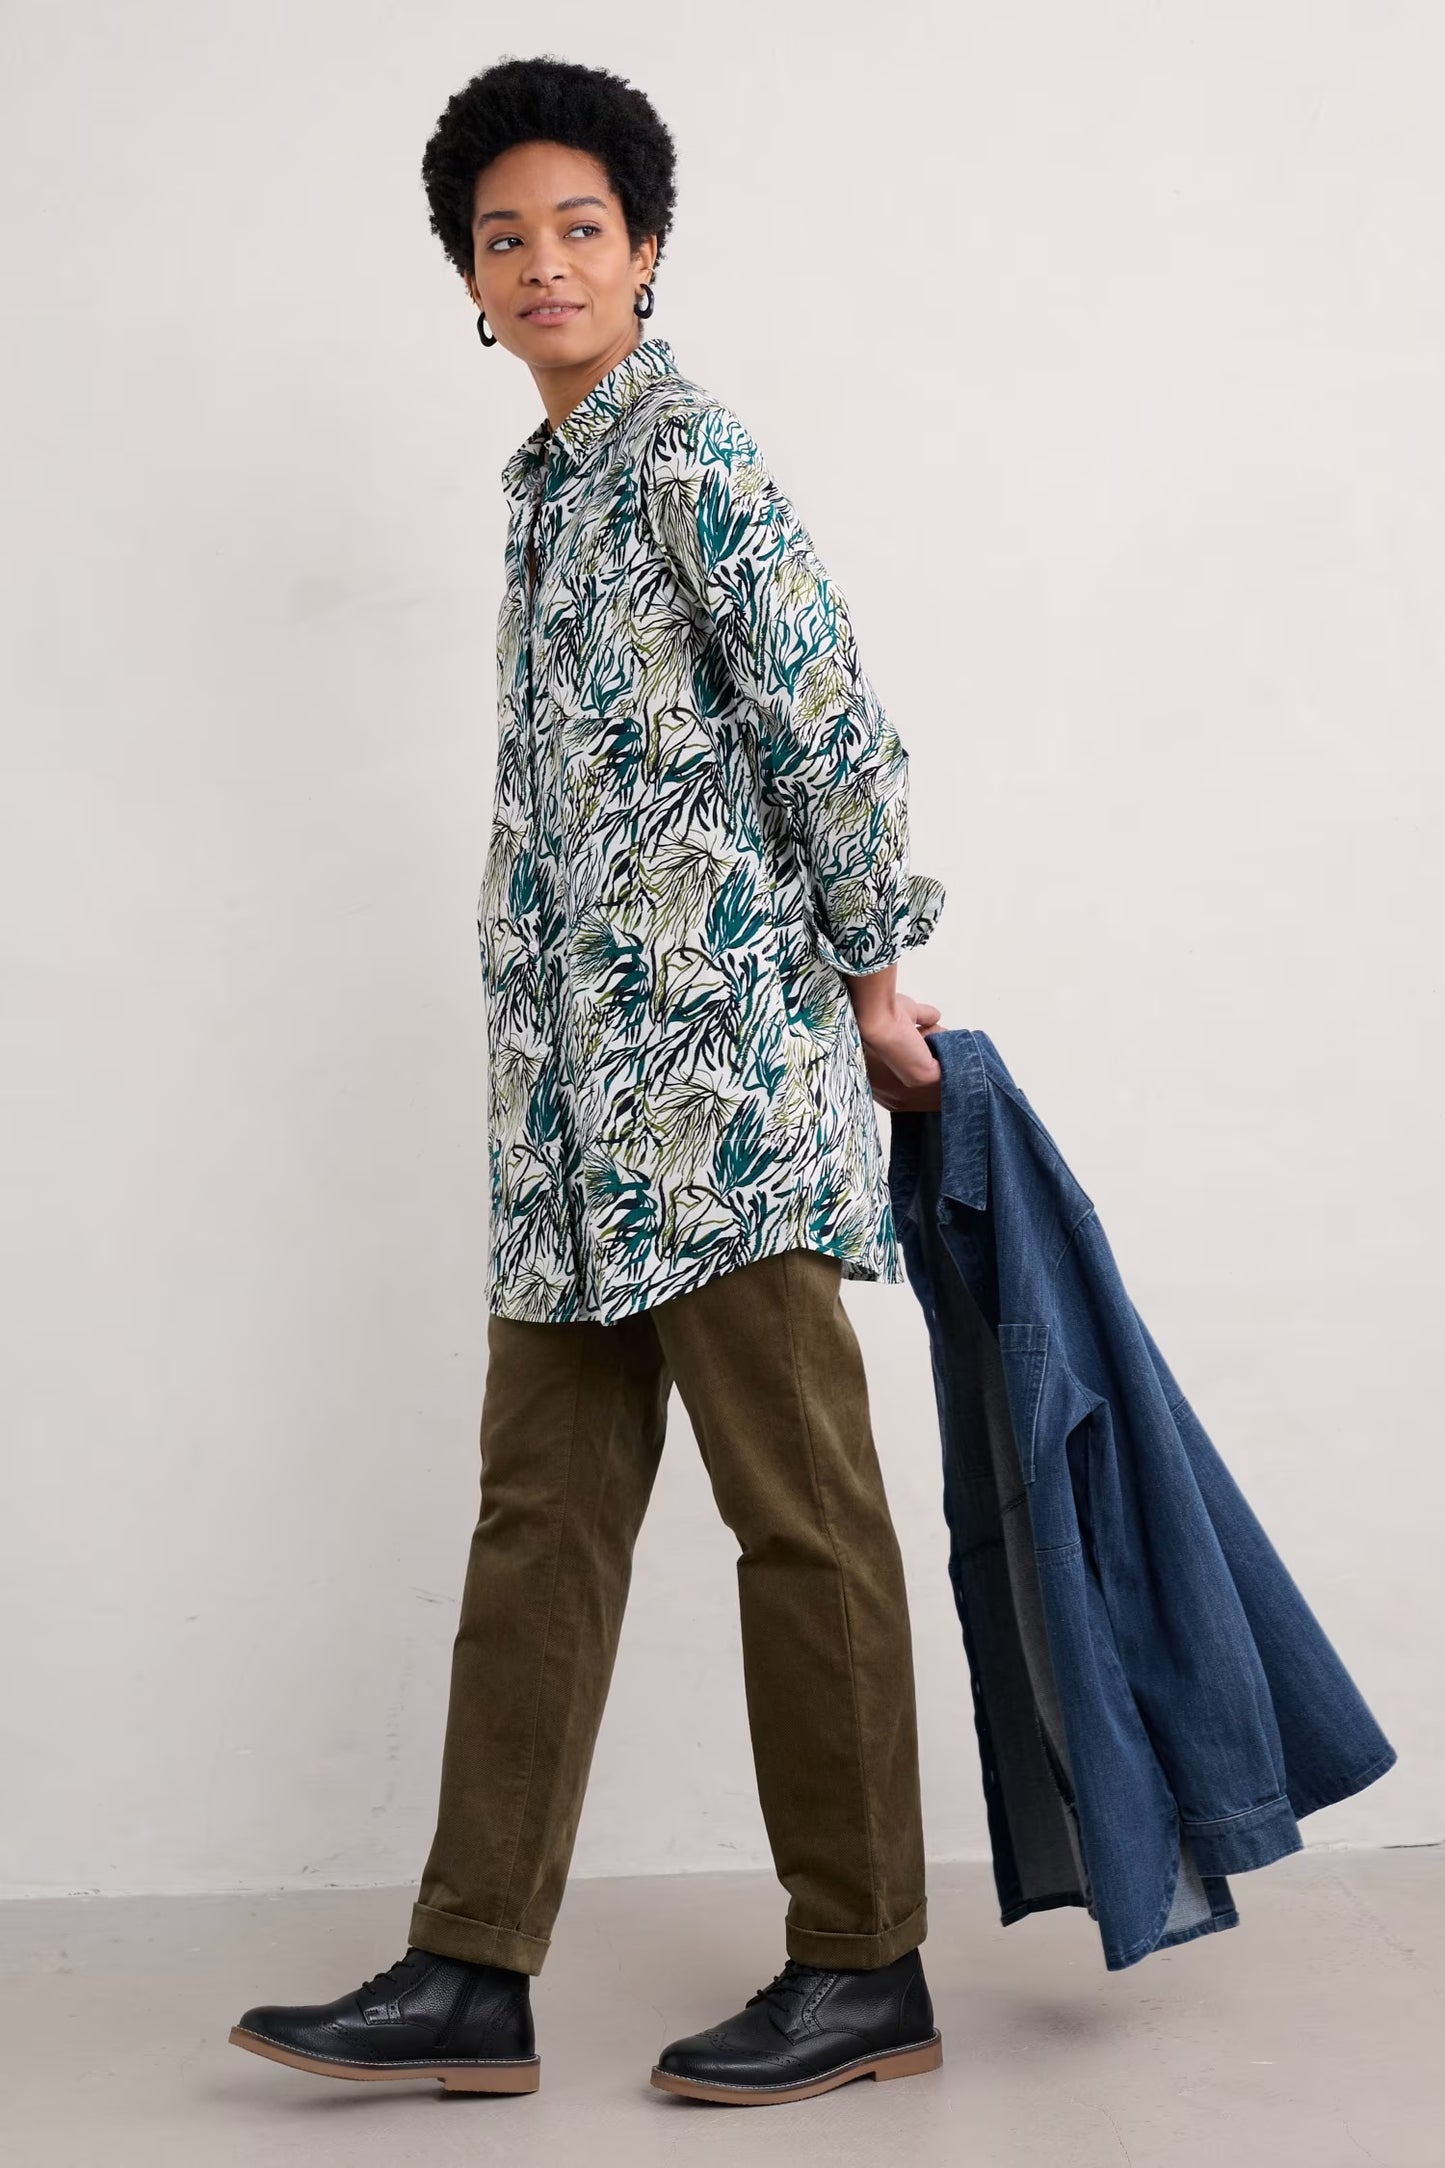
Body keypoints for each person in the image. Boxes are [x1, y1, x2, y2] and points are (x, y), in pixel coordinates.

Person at [229, 52, 949, 2109]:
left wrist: (876, 984)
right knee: (535, 1526)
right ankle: (473, 1968)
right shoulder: (547, 492)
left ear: (646, 251)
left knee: (803, 1523)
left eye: (579, 228)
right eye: (503, 238)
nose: (543, 262)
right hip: (565, 1141)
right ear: (469, 282)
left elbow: (830, 723)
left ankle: (866, 1964)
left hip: (718, 1110)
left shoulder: (690, 458)